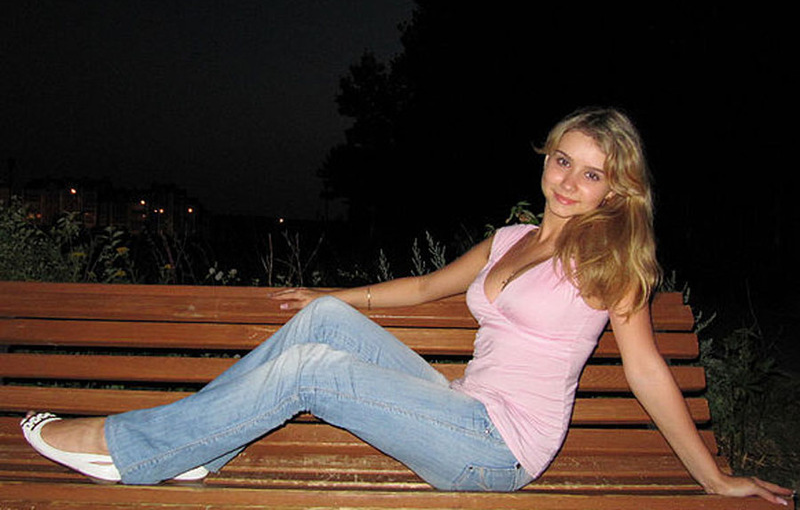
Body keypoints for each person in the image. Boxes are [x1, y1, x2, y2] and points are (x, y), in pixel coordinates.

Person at [21, 108, 793, 504]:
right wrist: (331, 293)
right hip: (458, 406)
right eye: (563, 160)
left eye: (592, 174)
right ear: (546, 159)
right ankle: (197, 450)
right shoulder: (509, 239)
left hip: (497, 450)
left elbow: (648, 371)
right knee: (324, 324)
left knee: (315, 369)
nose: (569, 181)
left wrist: (712, 478)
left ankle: (130, 450)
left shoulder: (610, 261)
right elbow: (425, 288)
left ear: (614, 189)